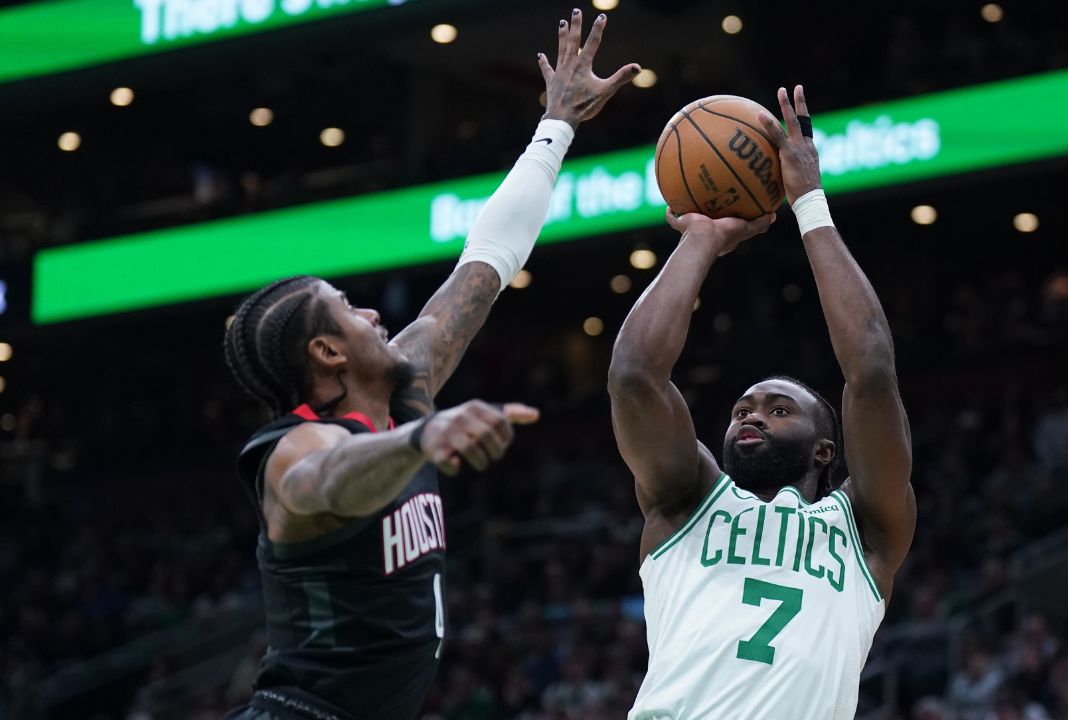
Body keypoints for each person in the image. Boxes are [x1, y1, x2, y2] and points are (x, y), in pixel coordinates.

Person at [221, 10, 639, 719]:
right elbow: (326, 478)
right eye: (352, 309)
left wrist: (556, 126)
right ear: (325, 353)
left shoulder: (404, 384)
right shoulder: (294, 448)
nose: (377, 316)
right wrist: (418, 439)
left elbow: (487, 261)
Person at [609, 86, 917, 719]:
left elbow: (872, 370)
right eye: (743, 408)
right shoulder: (686, 499)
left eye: (779, 409)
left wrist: (809, 202)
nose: (750, 414)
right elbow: (636, 376)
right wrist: (702, 238)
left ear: (826, 448)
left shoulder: (866, 532)